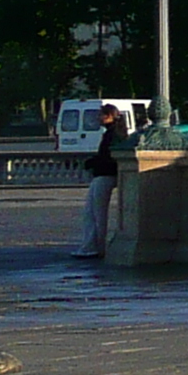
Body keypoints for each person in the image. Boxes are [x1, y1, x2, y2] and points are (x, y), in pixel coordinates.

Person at [76, 104, 125, 260]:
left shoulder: (111, 134)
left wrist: (93, 162)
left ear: (109, 115)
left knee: (95, 213)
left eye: (101, 115)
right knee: (94, 212)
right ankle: (92, 246)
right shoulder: (116, 132)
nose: (98, 118)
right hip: (107, 173)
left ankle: (93, 246)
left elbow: (107, 157)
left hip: (105, 174)